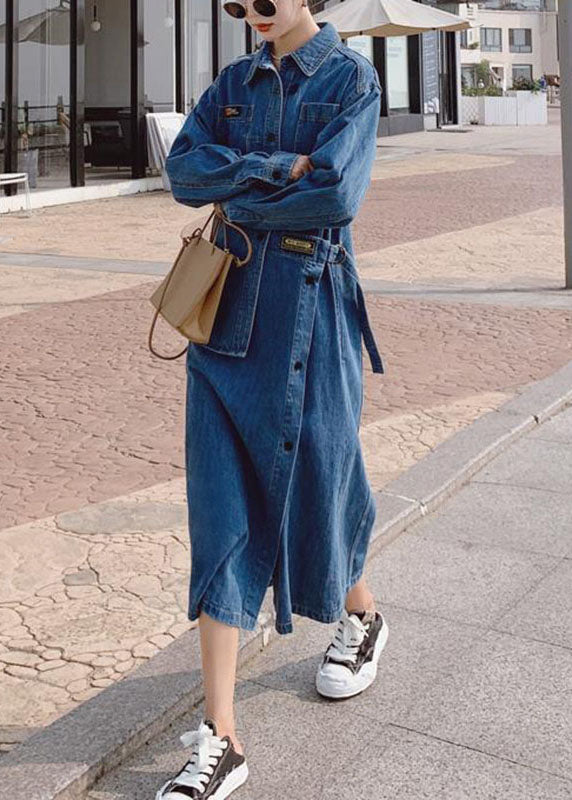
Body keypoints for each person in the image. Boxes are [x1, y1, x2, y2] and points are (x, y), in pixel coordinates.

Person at [156, 2, 389, 798]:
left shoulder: (352, 80)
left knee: (322, 479)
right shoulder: (231, 84)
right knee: (220, 507)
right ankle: (221, 736)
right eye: (237, 3)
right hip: (225, 317)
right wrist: (278, 168)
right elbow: (184, 174)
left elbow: (334, 195)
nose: (250, 12)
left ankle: (361, 614)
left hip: (314, 313)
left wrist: (242, 183)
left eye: (264, 0)